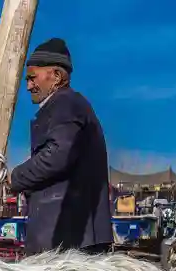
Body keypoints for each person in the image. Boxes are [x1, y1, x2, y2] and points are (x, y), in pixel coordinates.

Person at [8, 38, 112, 255]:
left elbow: (58, 155)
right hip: (69, 238)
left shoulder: (65, 104)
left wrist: (14, 178)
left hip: (70, 238)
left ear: (56, 76)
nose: (28, 86)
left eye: (32, 78)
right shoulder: (67, 105)